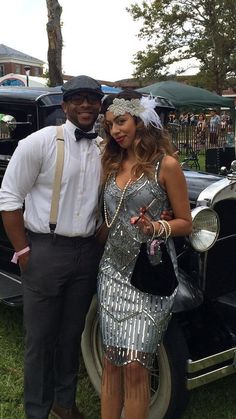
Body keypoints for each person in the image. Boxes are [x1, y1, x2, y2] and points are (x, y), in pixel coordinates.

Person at [0, 75, 104, 419]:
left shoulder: (104, 148)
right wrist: (25, 251)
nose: (87, 104)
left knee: (71, 335)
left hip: (86, 252)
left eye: (93, 98)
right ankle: (36, 410)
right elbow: (9, 198)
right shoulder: (39, 142)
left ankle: (64, 402)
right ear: (65, 105)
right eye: (79, 99)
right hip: (45, 250)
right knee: (40, 340)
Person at [97, 90, 192, 419]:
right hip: (112, 275)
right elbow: (107, 217)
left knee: (137, 367)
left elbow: (185, 223)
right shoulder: (110, 163)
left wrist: (156, 228)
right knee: (111, 362)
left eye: (121, 121)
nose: (115, 131)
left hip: (149, 277)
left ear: (139, 120)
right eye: (109, 125)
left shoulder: (166, 166)